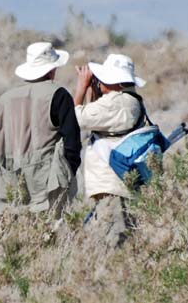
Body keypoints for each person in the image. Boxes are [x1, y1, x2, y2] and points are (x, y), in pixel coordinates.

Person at [0, 42, 81, 217]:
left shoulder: (4, 99)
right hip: (50, 179)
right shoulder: (59, 94)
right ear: (52, 70)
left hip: (10, 177)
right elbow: (72, 142)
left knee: (18, 233)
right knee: (52, 233)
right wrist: (67, 172)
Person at [74, 53, 147, 247]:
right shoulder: (128, 100)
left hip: (112, 185)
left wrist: (81, 87)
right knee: (121, 238)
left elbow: (76, 118)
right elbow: (96, 116)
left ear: (117, 83)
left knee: (112, 242)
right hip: (118, 182)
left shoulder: (117, 103)